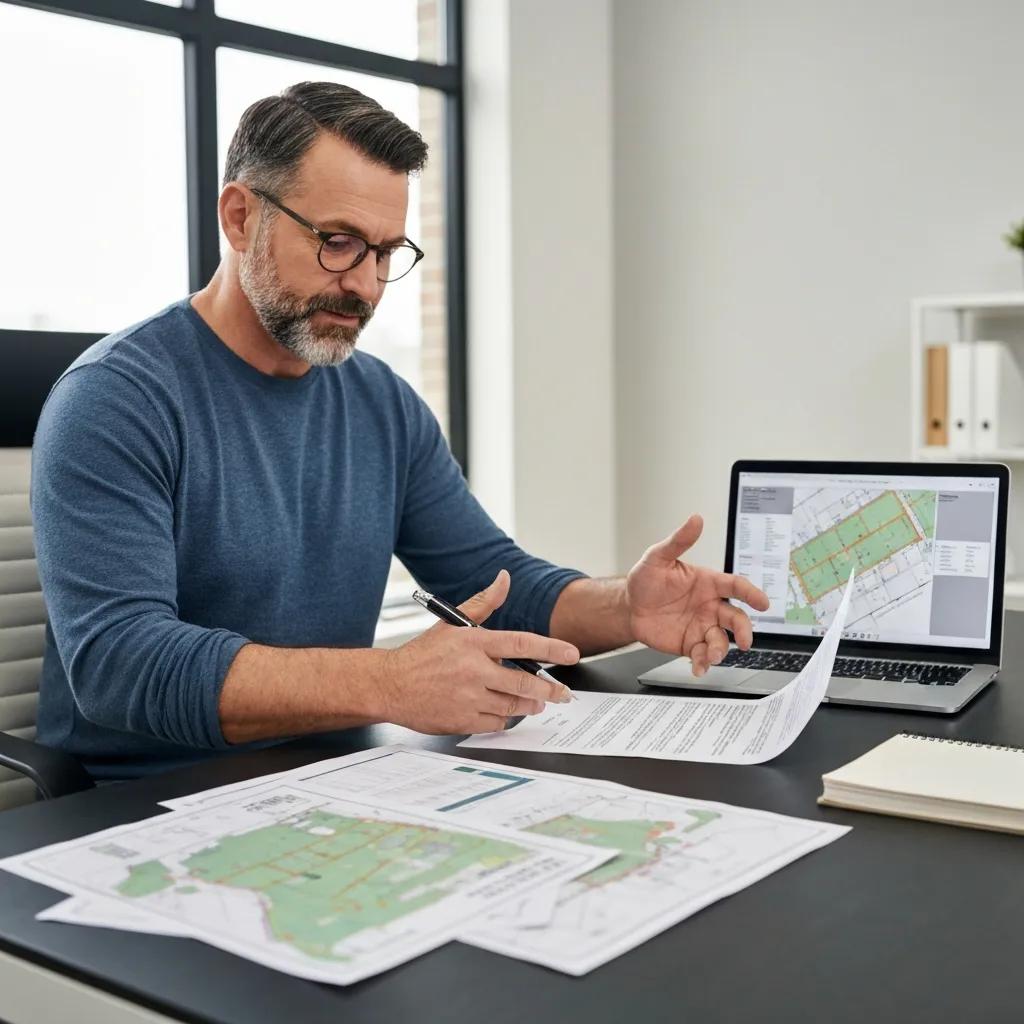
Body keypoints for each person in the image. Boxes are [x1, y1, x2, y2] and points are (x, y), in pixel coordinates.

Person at [31, 82, 769, 780]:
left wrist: (626, 609)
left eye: (386, 253)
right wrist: (388, 681)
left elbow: (496, 584)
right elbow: (120, 665)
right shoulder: (116, 400)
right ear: (240, 217)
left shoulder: (382, 403)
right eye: (339, 241)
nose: (363, 285)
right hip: (140, 807)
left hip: (339, 781)